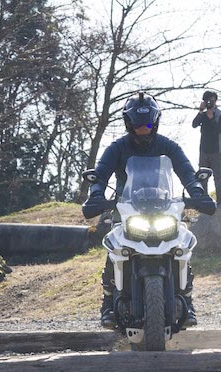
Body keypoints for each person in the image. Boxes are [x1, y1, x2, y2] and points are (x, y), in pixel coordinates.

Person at [86, 92, 212, 329]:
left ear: (155, 122)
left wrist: (196, 191)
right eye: (137, 124)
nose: (143, 129)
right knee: (115, 245)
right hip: (126, 208)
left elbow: (185, 171)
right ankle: (107, 303)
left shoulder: (168, 146)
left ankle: (186, 299)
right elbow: (100, 174)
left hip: (164, 206)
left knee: (180, 244)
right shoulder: (117, 147)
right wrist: (96, 195)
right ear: (128, 123)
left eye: (147, 124)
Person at [192, 90, 221, 204]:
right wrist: (200, 111)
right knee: (202, 178)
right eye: (206, 101)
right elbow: (194, 124)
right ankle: (204, 202)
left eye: (210, 101)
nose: (208, 103)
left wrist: (211, 117)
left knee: (218, 179)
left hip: (217, 152)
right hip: (204, 151)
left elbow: (218, 131)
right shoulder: (202, 115)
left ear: (215, 101)